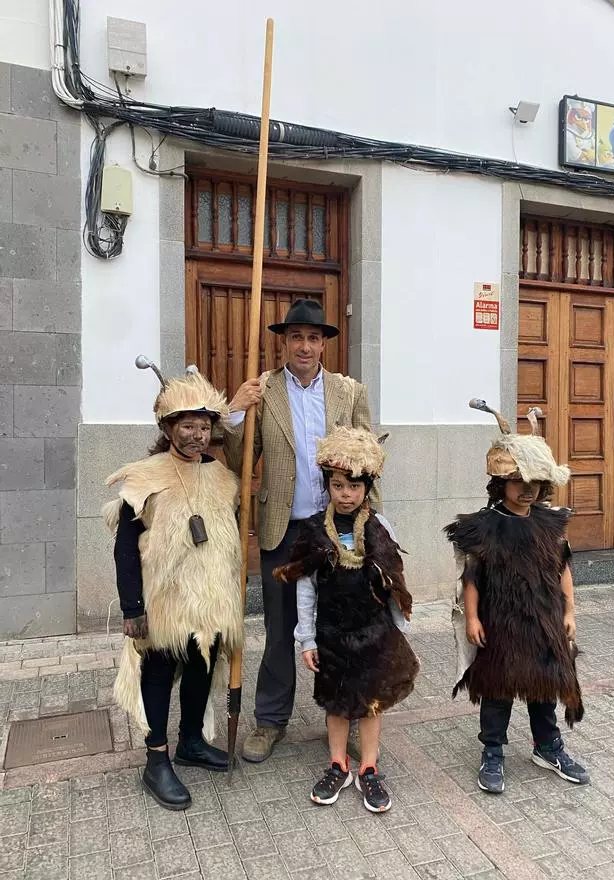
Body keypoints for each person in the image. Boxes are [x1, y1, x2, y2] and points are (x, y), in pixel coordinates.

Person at [224, 299, 379, 763]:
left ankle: (347, 715)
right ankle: (271, 721)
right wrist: (234, 411)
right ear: (284, 341)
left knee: (342, 628)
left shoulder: (348, 392)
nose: (305, 346)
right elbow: (237, 460)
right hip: (282, 531)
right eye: (296, 337)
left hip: (335, 529)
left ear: (325, 343)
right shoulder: (263, 390)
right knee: (278, 629)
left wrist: (374, 524)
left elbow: (368, 460)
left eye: (313, 337)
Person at [104, 363, 243, 810]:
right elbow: (126, 546)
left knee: (202, 666)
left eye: (204, 426)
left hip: (211, 600)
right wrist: (132, 607)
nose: (197, 434)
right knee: (160, 672)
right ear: (168, 427)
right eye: (187, 425)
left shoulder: (222, 477)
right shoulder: (145, 476)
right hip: (163, 602)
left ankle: (190, 743)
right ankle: (156, 758)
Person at [444, 400, 589, 795]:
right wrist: (472, 618)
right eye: (517, 482)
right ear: (500, 483)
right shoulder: (486, 527)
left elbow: (563, 569)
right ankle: (493, 751)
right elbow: (471, 578)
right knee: (498, 688)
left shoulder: (550, 522)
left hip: (544, 620)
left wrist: (570, 611)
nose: (526, 490)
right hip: (500, 623)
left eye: (534, 483)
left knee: (545, 683)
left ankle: (548, 746)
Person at [273, 426, 419, 812]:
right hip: (332, 633)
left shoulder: (381, 529)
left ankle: (369, 768)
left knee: (372, 704)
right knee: (336, 703)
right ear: (328, 486)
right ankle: (338, 764)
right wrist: (307, 639)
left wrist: (398, 630)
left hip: (374, 632)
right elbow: (305, 589)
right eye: (338, 486)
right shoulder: (313, 531)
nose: (346, 494)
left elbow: (393, 582)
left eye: (354, 487)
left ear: (367, 488)